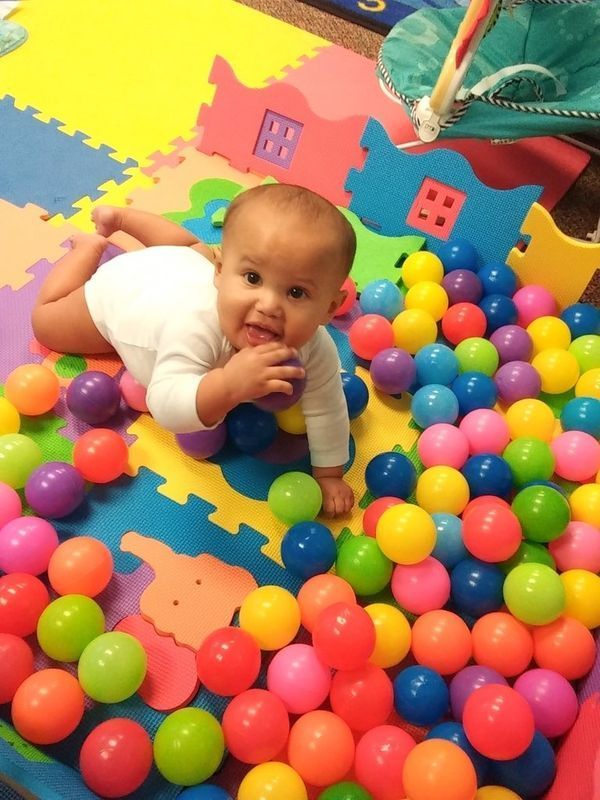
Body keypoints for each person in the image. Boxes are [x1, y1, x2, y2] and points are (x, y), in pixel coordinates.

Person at [32, 183, 357, 516]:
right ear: (221, 272)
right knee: (45, 321)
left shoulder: (316, 348)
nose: (269, 305)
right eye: (253, 277)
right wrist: (228, 386)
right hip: (123, 294)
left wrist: (329, 475)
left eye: (297, 293)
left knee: (190, 248)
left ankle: (122, 218)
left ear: (330, 308)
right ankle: (91, 243)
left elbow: (327, 406)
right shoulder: (195, 327)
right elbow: (165, 405)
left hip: (183, 266)